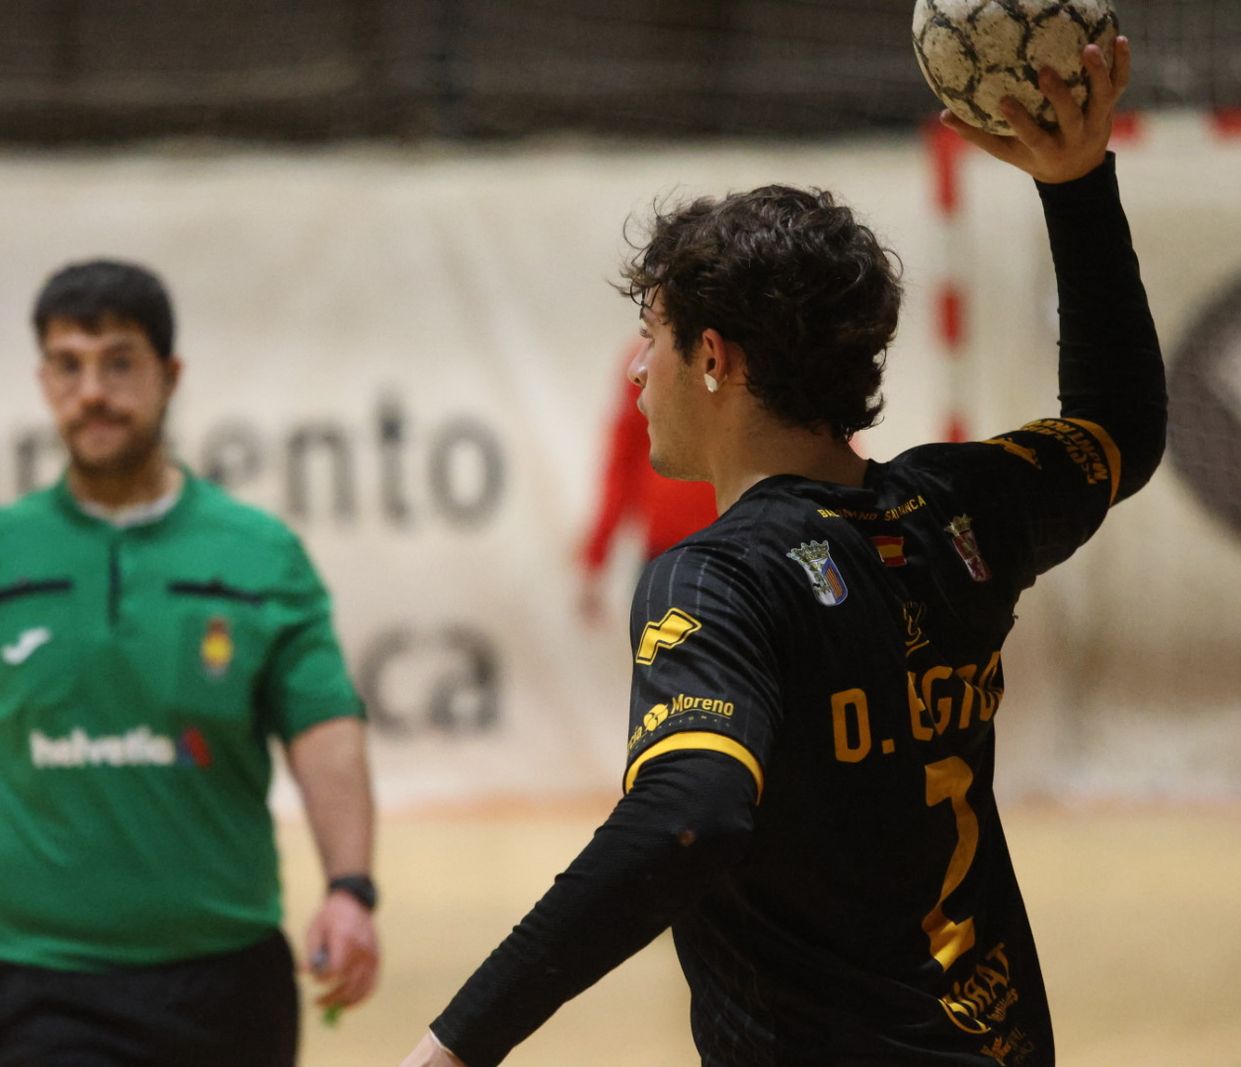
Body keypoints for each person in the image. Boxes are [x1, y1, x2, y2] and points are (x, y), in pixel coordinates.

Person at [403, 39, 1159, 1067]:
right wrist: (1076, 185)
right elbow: (1120, 426)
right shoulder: (959, 508)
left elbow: (692, 814)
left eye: (653, 335)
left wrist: (452, 1045)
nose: (638, 370)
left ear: (714, 358)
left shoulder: (717, 578)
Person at [0, 260, 381, 1067]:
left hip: (229, 980)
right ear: (42, 381)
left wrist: (350, 888)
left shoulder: (261, 553)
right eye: (68, 366)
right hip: (48, 983)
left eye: (118, 363)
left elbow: (325, 728)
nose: (92, 392)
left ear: (170, 376)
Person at [579, 338, 720, 624]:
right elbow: (623, 460)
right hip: (676, 551)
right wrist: (597, 554)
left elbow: (623, 462)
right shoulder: (647, 360)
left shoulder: (650, 359)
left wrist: (597, 556)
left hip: (706, 551)